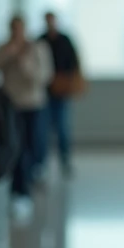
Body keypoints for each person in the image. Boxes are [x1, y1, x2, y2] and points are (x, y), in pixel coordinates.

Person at [0, 15, 53, 219]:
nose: (16, 33)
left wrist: (24, 62)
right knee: (18, 148)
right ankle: (20, 191)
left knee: (33, 145)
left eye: (19, 29)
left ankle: (31, 177)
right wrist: (8, 55)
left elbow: (45, 77)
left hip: (33, 105)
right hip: (11, 106)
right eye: (12, 29)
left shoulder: (37, 48)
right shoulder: (5, 47)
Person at [38, 12, 82, 177]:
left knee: (63, 128)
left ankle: (65, 160)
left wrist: (68, 80)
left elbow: (74, 62)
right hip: (45, 92)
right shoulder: (41, 40)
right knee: (42, 130)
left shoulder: (65, 40)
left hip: (62, 91)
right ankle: (41, 164)